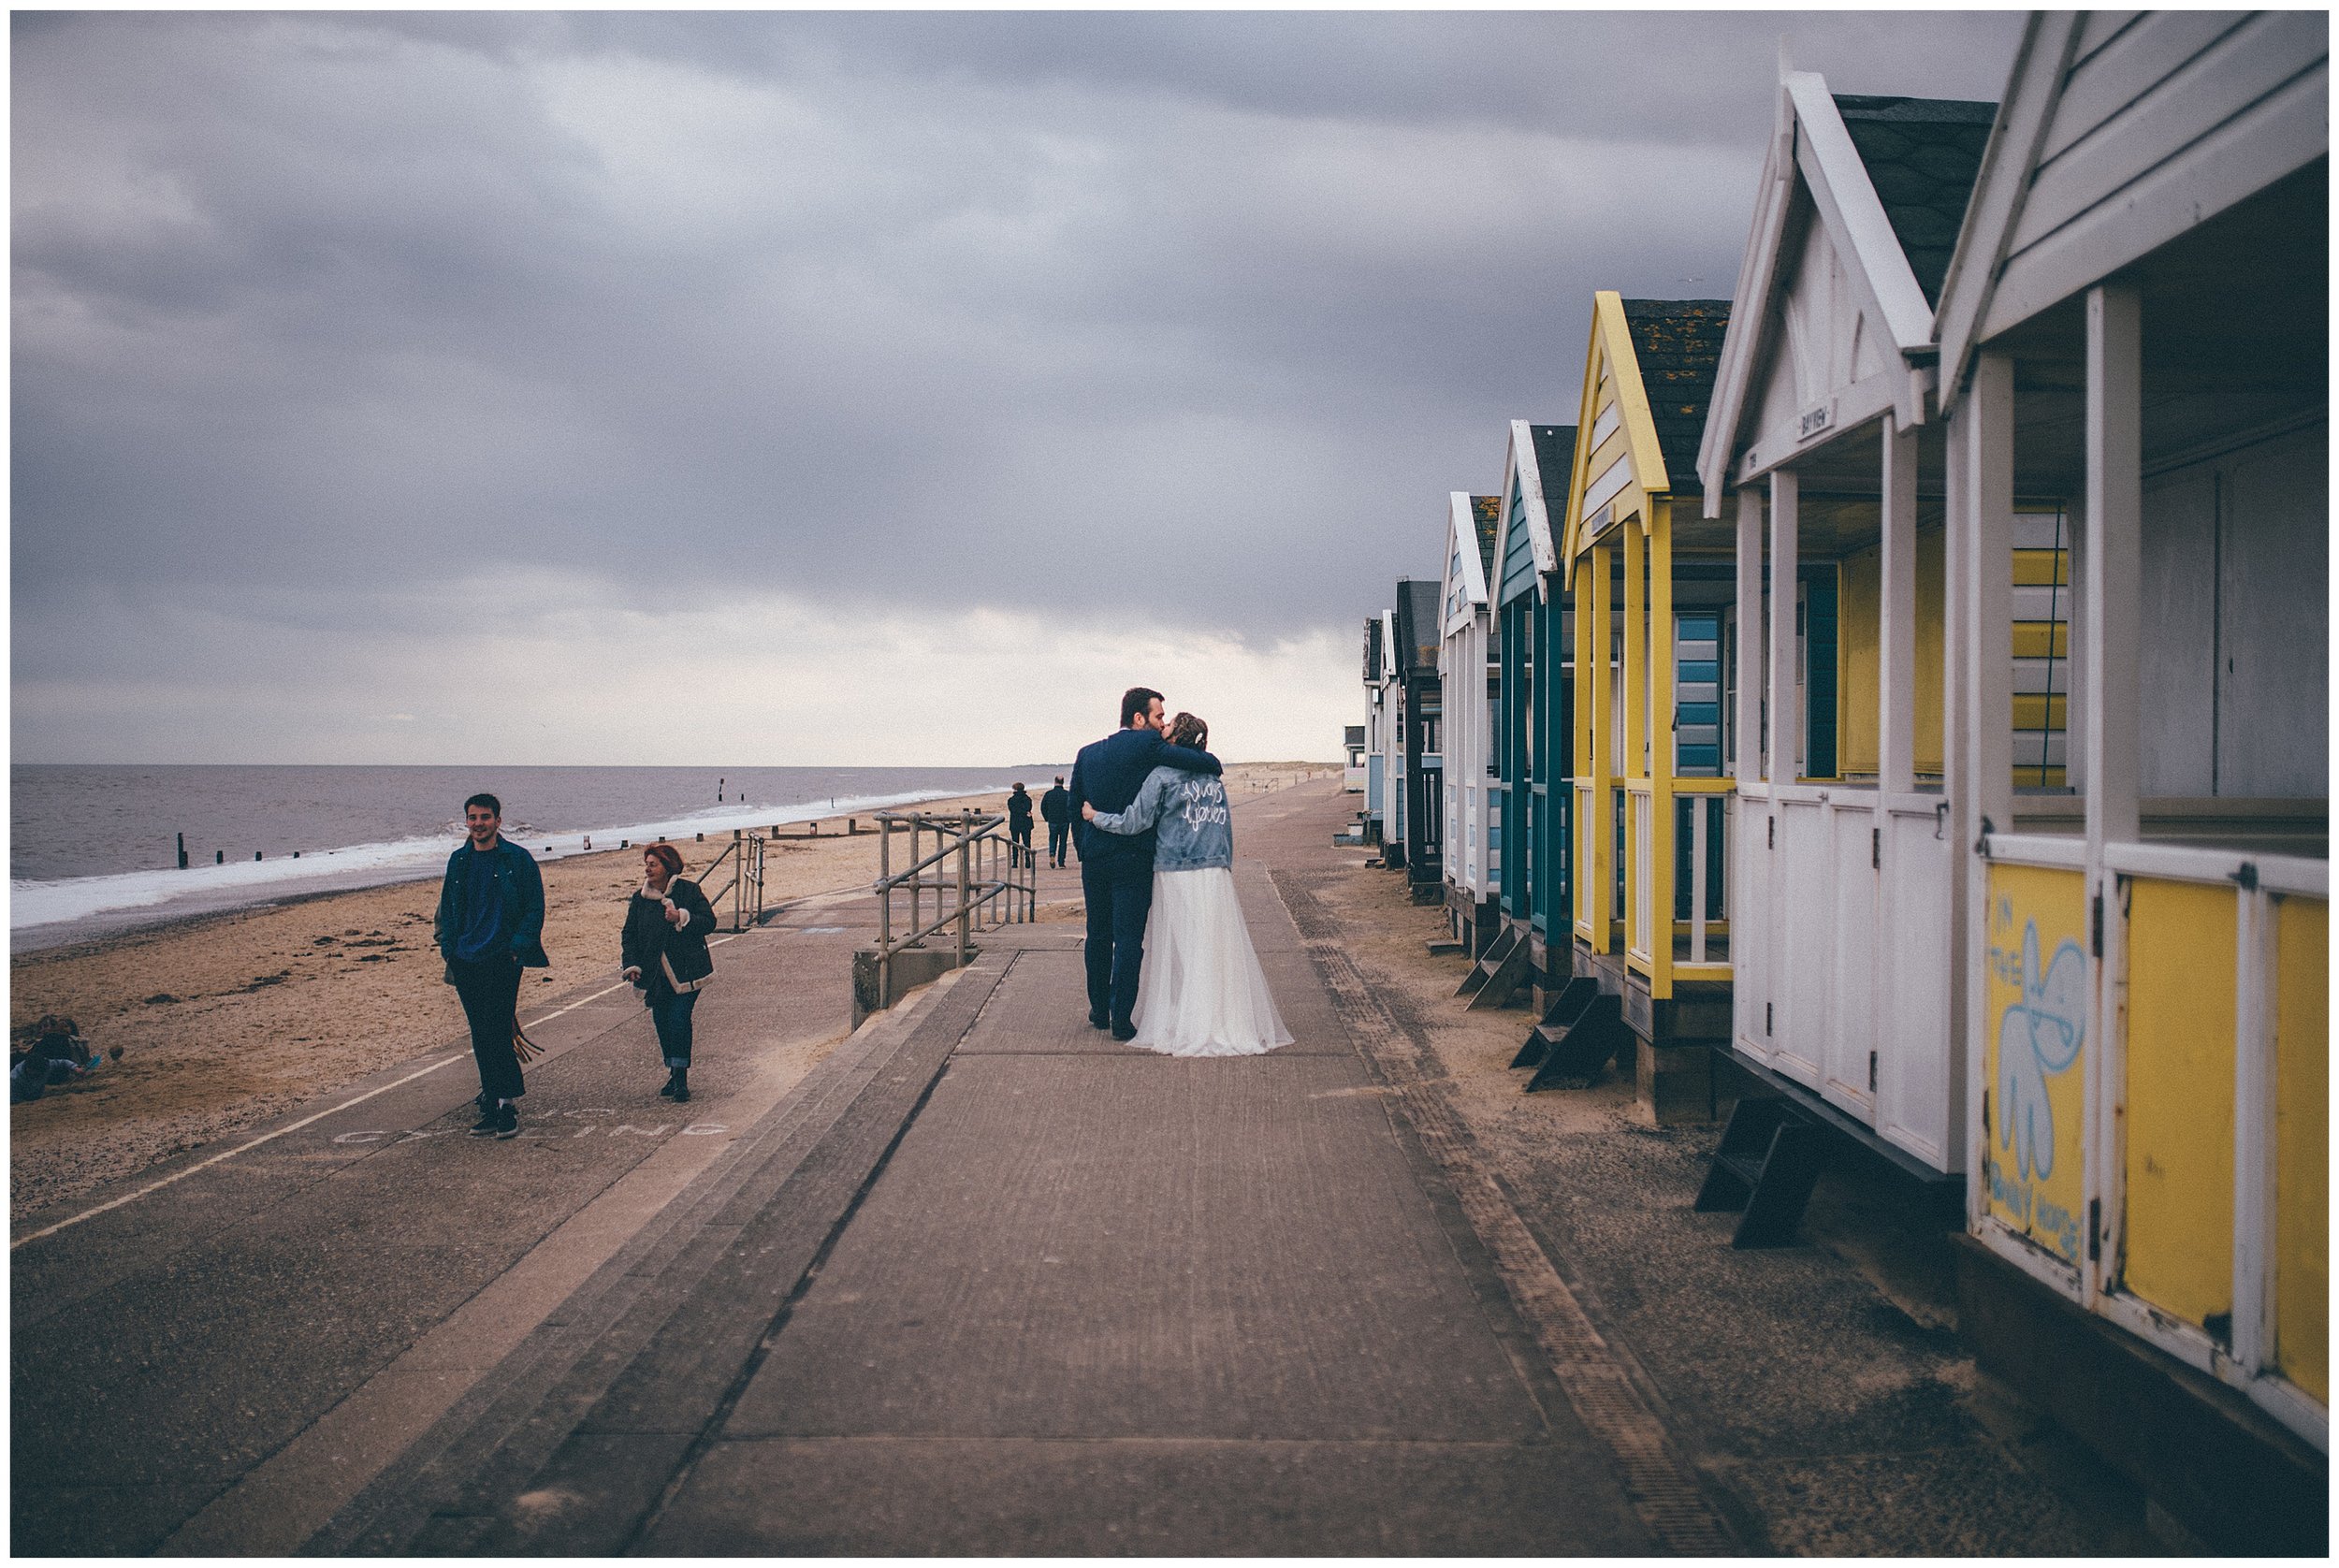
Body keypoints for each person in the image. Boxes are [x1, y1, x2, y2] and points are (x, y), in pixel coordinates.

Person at [1084, 713, 1292, 1057]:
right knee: (1213, 948)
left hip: (1176, 869)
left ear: (1176, 736)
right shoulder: (1213, 779)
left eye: (1167, 726)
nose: (1161, 730)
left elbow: (1134, 821)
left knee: (1183, 949)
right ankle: (1217, 1017)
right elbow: (1223, 826)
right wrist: (1225, 863)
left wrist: (1096, 817)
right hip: (1215, 869)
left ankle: (1190, 1020)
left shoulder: (1162, 776)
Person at [1067, 687, 1223, 1040]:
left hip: (1095, 859)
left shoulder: (1087, 754)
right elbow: (1204, 763)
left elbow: (1074, 807)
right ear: (1139, 718)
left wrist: (1084, 849)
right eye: (1158, 717)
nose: (1162, 724)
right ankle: (1121, 1019)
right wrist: (1210, 760)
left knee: (1097, 935)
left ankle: (1098, 1009)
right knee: (1128, 940)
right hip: (1133, 860)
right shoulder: (1149, 746)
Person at [432, 792, 548, 1139]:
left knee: (497, 1031)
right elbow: (448, 909)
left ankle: (506, 1105)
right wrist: (450, 949)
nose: (478, 824)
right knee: (481, 1034)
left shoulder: (517, 859)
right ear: (465, 822)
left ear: (499, 821)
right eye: (472, 818)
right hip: (466, 959)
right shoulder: (459, 861)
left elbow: (534, 908)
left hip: (503, 958)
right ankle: (494, 1099)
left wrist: (517, 948)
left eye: (485, 817)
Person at [621, 843, 718, 1103]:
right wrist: (631, 964)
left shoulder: (689, 891)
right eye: (646, 864)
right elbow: (629, 934)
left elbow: (709, 922)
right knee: (662, 1023)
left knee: (678, 1019)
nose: (648, 869)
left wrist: (681, 917)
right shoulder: (640, 898)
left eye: (653, 864)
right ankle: (673, 1072)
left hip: (688, 971)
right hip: (654, 974)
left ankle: (681, 1078)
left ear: (667, 866)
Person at [1039, 776, 1073, 867]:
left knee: (1052, 839)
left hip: (1053, 820)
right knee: (1063, 841)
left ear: (1055, 782)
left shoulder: (1049, 794)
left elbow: (1043, 807)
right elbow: (1072, 807)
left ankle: (1052, 853)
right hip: (1065, 820)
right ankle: (1061, 862)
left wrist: (1047, 818)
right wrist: (1070, 817)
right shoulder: (1067, 794)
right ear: (1063, 782)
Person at [1006, 783, 1036, 868]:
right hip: (1026, 823)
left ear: (1015, 789)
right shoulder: (1027, 799)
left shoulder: (1011, 800)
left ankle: (1015, 862)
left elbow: (1013, 810)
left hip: (1015, 823)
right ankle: (1027, 860)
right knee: (1027, 842)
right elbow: (1028, 809)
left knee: (1015, 843)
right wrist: (1025, 813)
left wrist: (1022, 812)